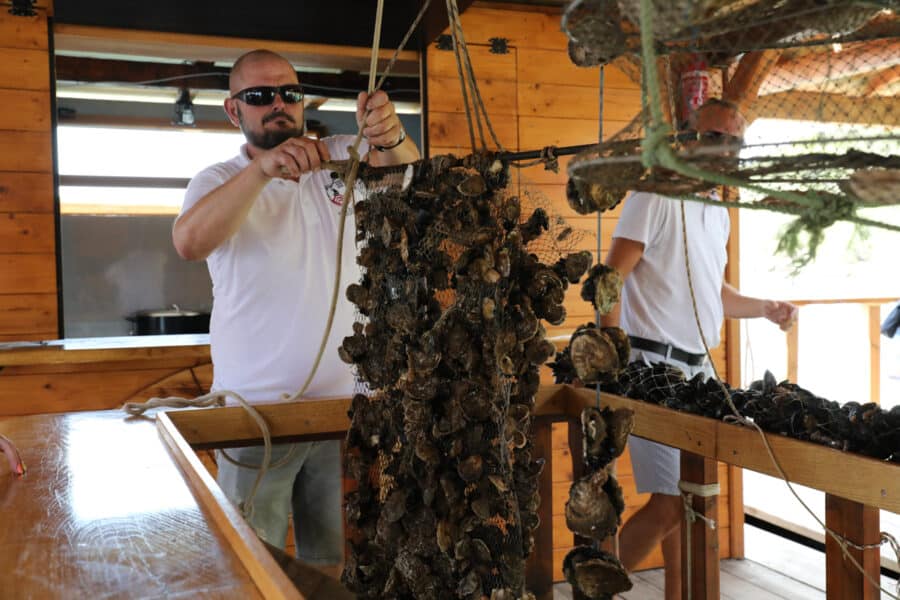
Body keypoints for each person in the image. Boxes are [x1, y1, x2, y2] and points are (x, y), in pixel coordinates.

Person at [172, 49, 419, 576]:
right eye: (260, 96)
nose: (278, 104)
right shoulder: (217, 178)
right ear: (234, 111)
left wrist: (390, 131)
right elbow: (189, 242)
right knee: (250, 560)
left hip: (343, 411)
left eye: (289, 93)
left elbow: (406, 178)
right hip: (256, 414)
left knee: (331, 560)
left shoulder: (339, 155)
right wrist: (262, 169)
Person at [601, 99, 797, 598]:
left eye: (736, 143)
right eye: (715, 137)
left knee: (690, 501)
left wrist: (767, 307)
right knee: (670, 503)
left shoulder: (718, 211)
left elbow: (716, 293)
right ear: (688, 137)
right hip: (649, 367)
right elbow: (609, 279)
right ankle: (591, 588)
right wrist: (610, 362)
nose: (726, 151)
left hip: (698, 374)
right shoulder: (655, 193)